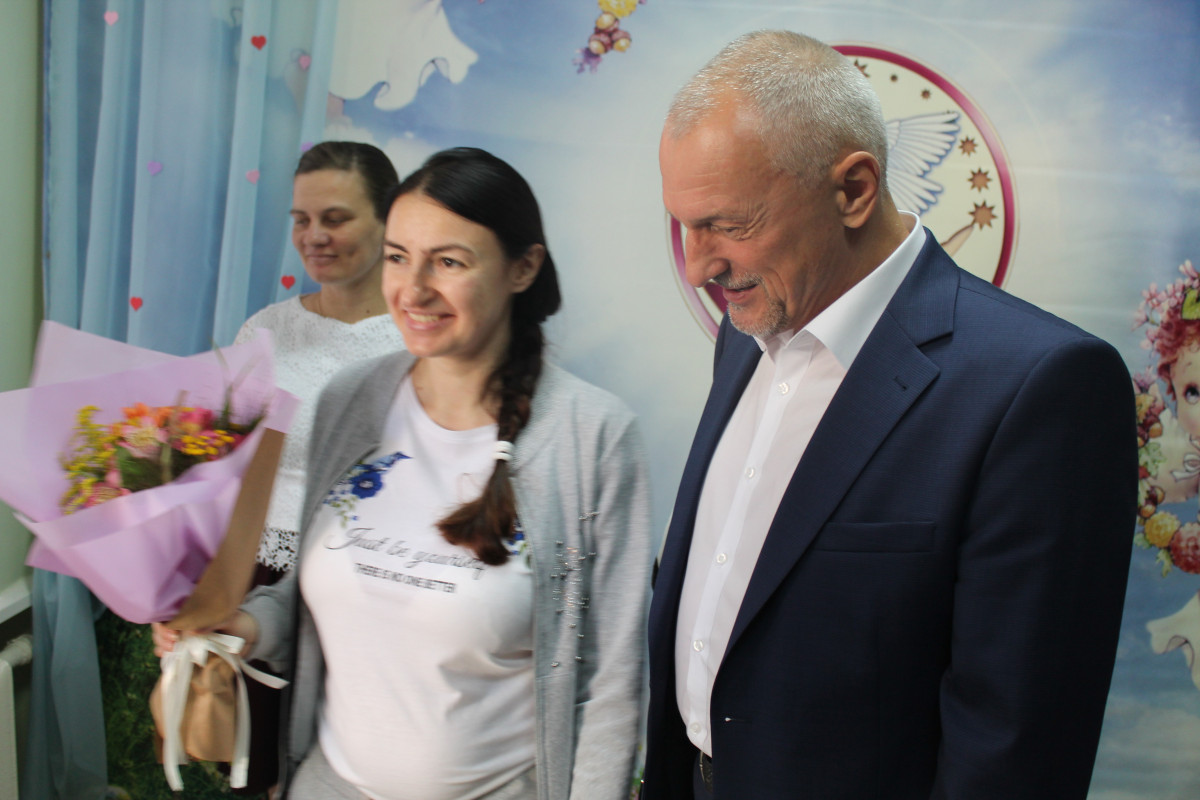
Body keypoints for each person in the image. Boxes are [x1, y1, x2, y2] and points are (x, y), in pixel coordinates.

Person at [641, 31, 1136, 799]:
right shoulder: (749, 331)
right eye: (683, 224)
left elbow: (1013, 752)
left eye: (729, 225)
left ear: (853, 190)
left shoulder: (1041, 388)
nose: (698, 265)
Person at [158, 147, 652, 799]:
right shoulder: (350, 401)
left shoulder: (590, 436)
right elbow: (316, 590)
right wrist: (247, 626)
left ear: (523, 267)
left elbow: (609, 683)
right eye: (398, 257)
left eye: (449, 262)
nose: (413, 291)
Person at [229, 140, 406, 794]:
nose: (314, 237)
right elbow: (225, 467)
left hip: (380, 583)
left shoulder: (425, 335)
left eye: (335, 218)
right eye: (301, 220)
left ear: (388, 219)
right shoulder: (264, 332)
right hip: (261, 579)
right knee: (265, 764)